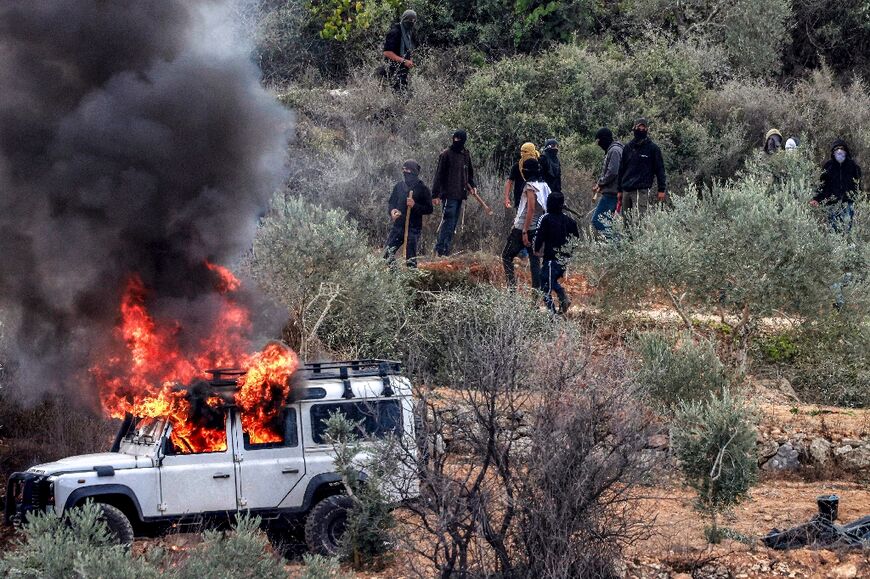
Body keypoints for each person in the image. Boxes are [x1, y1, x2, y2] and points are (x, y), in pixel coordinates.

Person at [502, 158, 550, 290]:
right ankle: (535, 295)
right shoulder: (544, 185)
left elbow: (531, 208)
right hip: (537, 228)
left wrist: (524, 230)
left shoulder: (530, 186)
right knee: (535, 261)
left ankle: (511, 289)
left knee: (506, 256)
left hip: (523, 227)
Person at [432, 129, 477, 256]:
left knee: (453, 225)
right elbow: (438, 175)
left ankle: (445, 251)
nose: (456, 141)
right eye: (455, 138)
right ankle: (440, 251)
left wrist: (472, 185)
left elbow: (469, 173)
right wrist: (435, 194)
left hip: (460, 194)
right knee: (447, 222)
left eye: (459, 139)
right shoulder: (446, 154)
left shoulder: (465, 154)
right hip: (448, 195)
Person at [534, 192, 579, 314]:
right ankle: (560, 302)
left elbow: (539, 236)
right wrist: (568, 254)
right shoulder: (571, 221)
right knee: (549, 280)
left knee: (545, 285)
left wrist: (536, 249)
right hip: (564, 260)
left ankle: (553, 311)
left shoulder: (546, 218)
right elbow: (576, 240)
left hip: (550, 259)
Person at [384, 159, 433, 267]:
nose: (405, 172)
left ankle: (411, 281)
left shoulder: (422, 189)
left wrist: (414, 205)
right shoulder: (399, 186)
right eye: (403, 169)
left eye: (408, 170)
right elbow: (391, 203)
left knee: (410, 258)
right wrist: (392, 211)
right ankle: (396, 277)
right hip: (398, 226)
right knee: (387, 253)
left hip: (414, 228)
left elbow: (429, 209)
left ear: (414, 172)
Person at [616, 118, 666, 221]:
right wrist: (619, 190)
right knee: (626, 222)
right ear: (634, 128)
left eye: (644, 127)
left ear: (647, 129)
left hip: (641, 190)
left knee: (639, 222)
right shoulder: (627, 147)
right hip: (626, 190)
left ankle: (640, 238)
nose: (641, 129)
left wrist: (661, 189)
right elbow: (621, 169)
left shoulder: (653, 149)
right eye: (639, 127)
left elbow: (660, 170)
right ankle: (628, 238)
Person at [811, 139, 862, 232]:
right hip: (832, 204)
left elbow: (858, 186)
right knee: (833, 231)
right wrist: (816, 199)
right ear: (833, 153)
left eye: (842, 148)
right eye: (836, 149)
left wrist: (859, 201)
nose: (839, 151)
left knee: (847, 230)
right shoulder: (828, 166)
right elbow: (822, 185)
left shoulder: (853, 166)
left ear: (846, 151)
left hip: (847, 204)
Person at [590, 127, 623, 237]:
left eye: (599, 141)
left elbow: (613, 171)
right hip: (612, 192)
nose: (598, 144)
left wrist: (601, 183)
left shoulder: (614, 150)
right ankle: (616, 246)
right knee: (608, 222)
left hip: (612, 193)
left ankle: (616, 244)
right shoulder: (614, 150)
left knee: (597, 221)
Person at [382, 10, 418, 92]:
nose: (412, 22)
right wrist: (404, 61)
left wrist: (410, 60)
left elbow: (409, 48)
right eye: (410, 20)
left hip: (404, 69)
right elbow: (387, 52)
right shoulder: (395, 32)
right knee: (400, 94)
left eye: (414, 20)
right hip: (393, 68)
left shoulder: (409, 32)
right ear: (404, 19)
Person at [503, 142, 540, 209]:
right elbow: (509, 182)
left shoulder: (538, 165)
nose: (523, 153)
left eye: (525, 151)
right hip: (520, 200)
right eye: (522, 151)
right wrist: (506, 198)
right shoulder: (517, 166)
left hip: (537, 200)